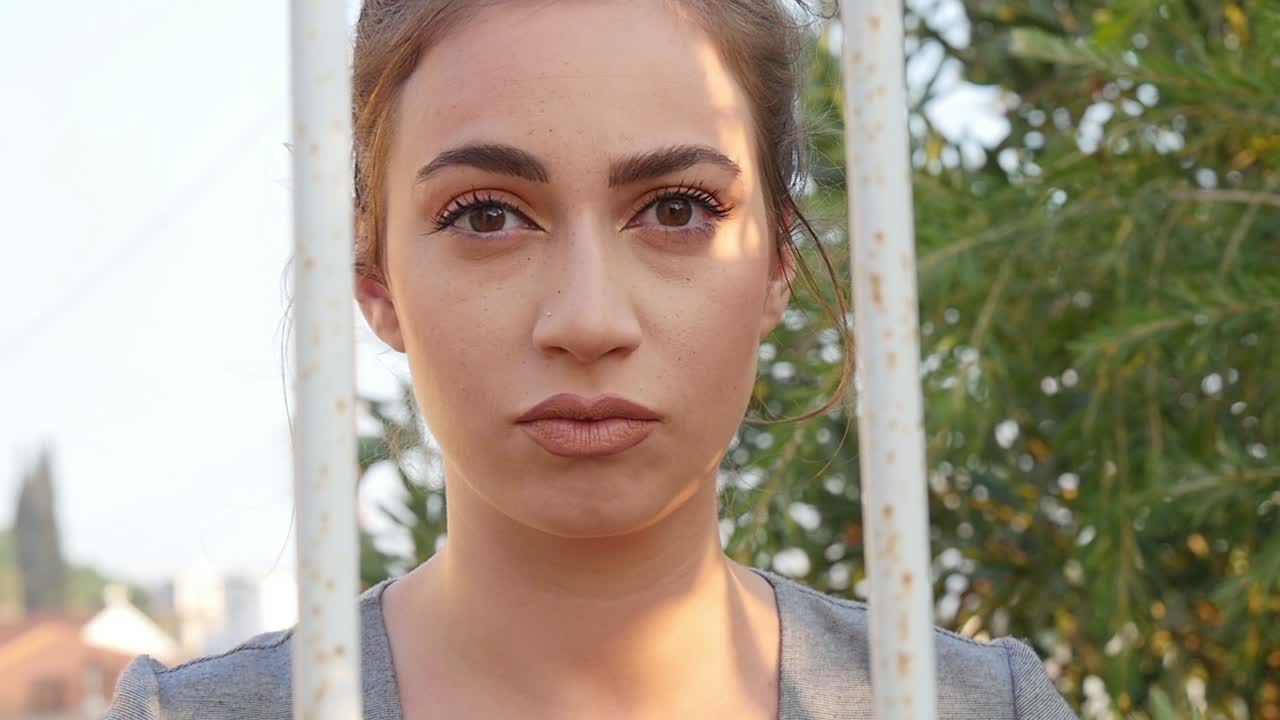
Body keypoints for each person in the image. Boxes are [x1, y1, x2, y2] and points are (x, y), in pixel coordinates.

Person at [105, 1, 1078, 718]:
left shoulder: (967, 707)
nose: (586, 318)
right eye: (485, 215)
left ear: (778, 261)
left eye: (675, 209)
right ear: (373, 276)